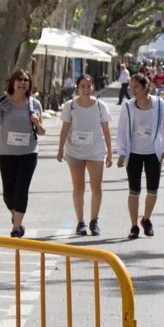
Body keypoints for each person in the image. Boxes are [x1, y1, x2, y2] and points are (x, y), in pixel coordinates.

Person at [0, 69, 45, 238]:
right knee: (8, 196)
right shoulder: (3, 103)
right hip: (7, 153)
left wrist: (37, 123)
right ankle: (15, 216)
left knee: (21, 190)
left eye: (25, 80)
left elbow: (41, 131)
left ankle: (16, 228)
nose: (22, 83)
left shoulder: (34, 104)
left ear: (29, 84)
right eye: (19, 80)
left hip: (29, 153)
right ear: (12, 83)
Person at [116, 73, 164, 239]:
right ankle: (134, 225)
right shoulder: (128, 106)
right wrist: (121, 153)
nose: (132, 90)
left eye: (136, 87)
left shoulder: (159, 105)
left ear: (145, 87)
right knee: (134, 190)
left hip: (153, 153)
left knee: (153, 190)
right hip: (134, 153)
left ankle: (146, 219)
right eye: (131, 87)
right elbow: (121, 131)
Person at [57, 74, 113, 236]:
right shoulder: (70, 106)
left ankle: (94, 221)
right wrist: (60, 149)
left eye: (89, 86)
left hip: (95, 152)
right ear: (77, 87)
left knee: (97, 187)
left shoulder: (100, 106)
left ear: (93, 87)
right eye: (83, 86)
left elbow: (106, 131)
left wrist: (110, 153)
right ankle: (80, 222)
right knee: (79, 187)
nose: (86, 89)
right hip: (74, 152)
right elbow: (65, 129)